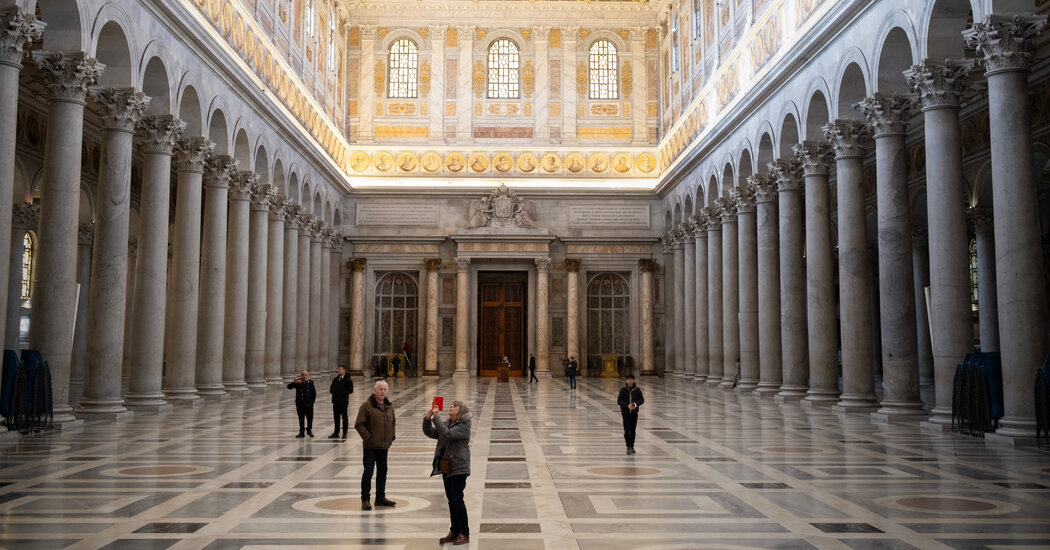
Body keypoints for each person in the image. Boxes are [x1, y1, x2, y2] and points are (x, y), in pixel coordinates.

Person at [424, 399, 472, 546]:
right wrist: (427, 419)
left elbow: (448, 435)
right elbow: (431, 433)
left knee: (458, 500)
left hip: (459, 467)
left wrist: (436, 417)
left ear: (461, 411)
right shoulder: (448, 423)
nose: (451, 407)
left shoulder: (464, 425)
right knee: (451, 500)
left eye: (455, 406)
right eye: (451, 405)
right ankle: (455, 530)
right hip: (447, 466)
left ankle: (464, 533)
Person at [355, 380, 397, 510]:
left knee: (383, 471)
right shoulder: (366, 406)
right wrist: (368, 438)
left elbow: (393, 422)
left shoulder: (389, 406)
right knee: (368, 472)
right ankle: (365, 499)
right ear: (375, 391)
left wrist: (392, 436)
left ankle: (380, 497)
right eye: (380, 389)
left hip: (384, 446)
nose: (383, 392)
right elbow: (359, 424)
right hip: (370, 447)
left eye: (385, 389)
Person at [617, 373, 644, 454]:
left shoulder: (637, 390)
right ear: (626, 380)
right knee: (627, 429)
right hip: (626, 412)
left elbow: (642, 399)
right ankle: (628, 446)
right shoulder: (623, 390)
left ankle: (632, 445)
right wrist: (627, 406)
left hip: (634, 412)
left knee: (633, 429)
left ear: (633, 380)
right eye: (628, 379)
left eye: (631, 379)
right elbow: (619, 401)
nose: (630, 381)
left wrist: (635, 404)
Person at [287, 370, 316, 438]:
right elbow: (289, 387)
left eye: (305, 375)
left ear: (307, 375)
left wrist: (312, 401)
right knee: (301, 418)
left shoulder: (310, 382)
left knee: (309, 418)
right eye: (302, 375)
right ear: (301, 375)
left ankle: (309, 430)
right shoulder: (298, 382)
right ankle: (301, 432)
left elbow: (313, 393)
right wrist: (295, 382)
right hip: (300, 404)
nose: (304, 376)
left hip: (309, 404)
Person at [329, 366, 353, 439]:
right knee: (336, 417)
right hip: (336, 401)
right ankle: (336, 432)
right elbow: (331, 388)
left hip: (343, 402)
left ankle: (345, 433)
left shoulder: (348, 380)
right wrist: (333, 392)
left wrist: (341, 393)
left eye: (340, 369)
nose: (338, 370)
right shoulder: (336, 379)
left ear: (344, 370)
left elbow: (350, 390)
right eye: (338, 369)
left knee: (344, 417)